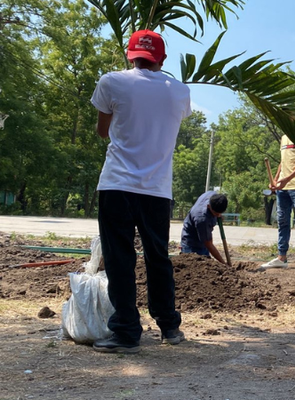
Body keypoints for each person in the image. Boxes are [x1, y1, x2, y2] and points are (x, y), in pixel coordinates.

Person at [90, 30, 191, 354]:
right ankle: (169, 326)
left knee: (120, 259)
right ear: (161, 59)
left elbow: (102, 130)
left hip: (117, 184)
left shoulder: (111, 81)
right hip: (157, 190)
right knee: (157, 257)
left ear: (129, 55)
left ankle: (126, 332)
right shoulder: (179, 91)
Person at [259, 136, 295, 276]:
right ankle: (282, 258)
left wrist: (287, 179)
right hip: (283, 188)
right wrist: (276, 179)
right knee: (283, 221)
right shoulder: (284, 138)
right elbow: (283, 162)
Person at [180, 191, 228, 263]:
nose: (218, 216)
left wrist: (218, 214)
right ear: (209, 206)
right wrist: (223, 264)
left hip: (203, 241)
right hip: (192, 245)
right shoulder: (202, 219)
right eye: (216, 213)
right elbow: (209, 244)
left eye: (220, 213)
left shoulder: (213, 196)